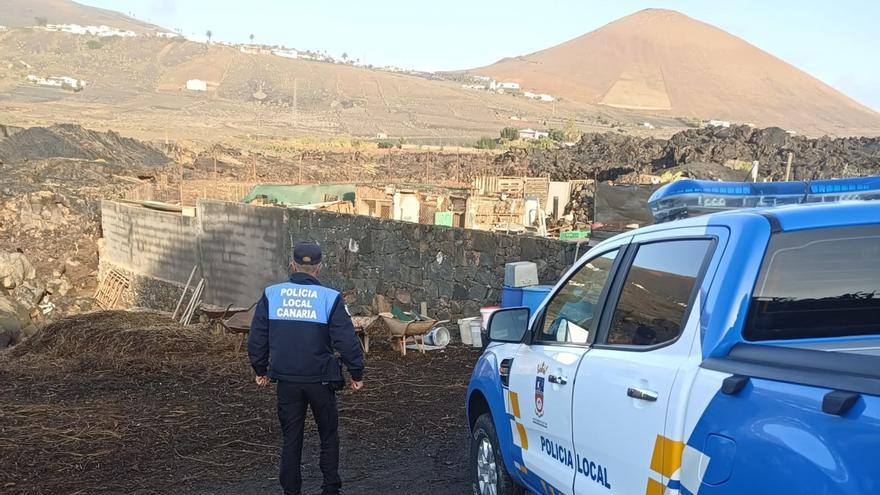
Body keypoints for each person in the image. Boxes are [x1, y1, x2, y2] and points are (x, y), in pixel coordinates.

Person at [248, 242, 365, 495]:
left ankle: (291, 491)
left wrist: (260, 369)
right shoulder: (330, 297)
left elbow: (257, 336)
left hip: (286, 381)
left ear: (292, 264)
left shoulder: (271, 294)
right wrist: (356, 373)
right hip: (321, 379)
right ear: (319, 268)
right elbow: (346, 339)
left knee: (291, 438)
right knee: (328, 436)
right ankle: (331, 488)